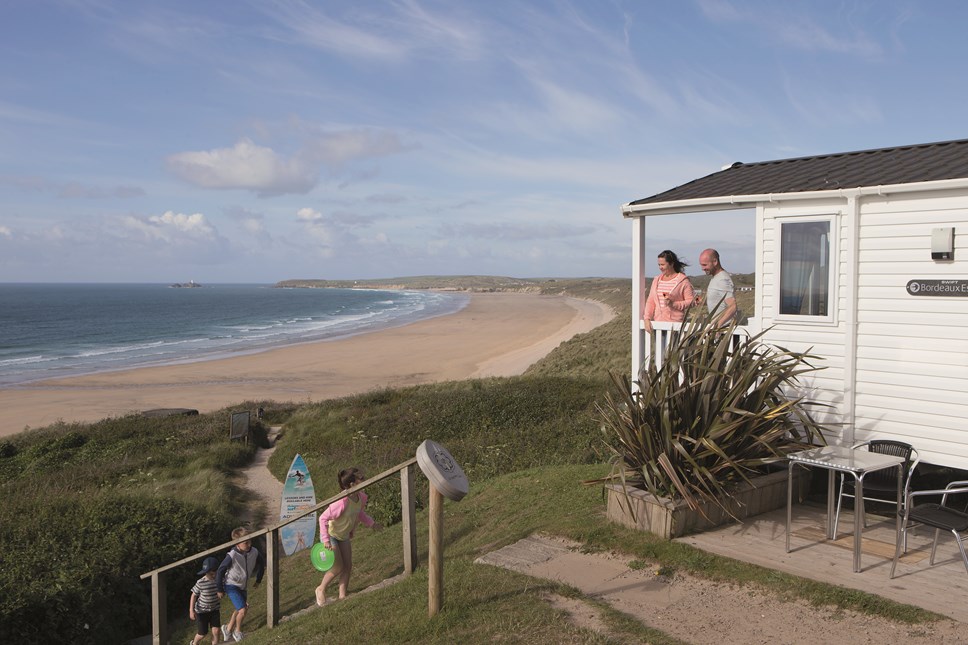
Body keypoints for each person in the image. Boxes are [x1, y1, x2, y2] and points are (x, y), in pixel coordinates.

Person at [314, 467, 383, 606]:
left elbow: (359, 513)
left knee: (348, 566)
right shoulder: (341, 501)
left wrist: (372, 524)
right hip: (331, 535)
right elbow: (322, 518)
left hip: (343, 536)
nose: (364, 480)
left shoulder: (361, 498)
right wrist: (326, 539)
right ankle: (320, 589)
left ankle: (342, 596)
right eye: (361, 479)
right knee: (337, 567)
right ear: (352, 484)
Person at [216, 527, 265, 642]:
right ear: (237, 543)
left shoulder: (254, 552)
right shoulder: (232, 555)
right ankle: (237, 632)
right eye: (245, 543)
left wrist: (258, 580)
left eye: (250, 541)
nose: (249, 544)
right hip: (231, 585)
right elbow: (220, 570)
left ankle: (227, 629)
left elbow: (262, 564)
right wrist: (219, 589)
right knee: (243, 609)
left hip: (243, 586)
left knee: (239, 609)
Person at [641, 250, 695, 333]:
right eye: (659, 265)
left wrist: (674, 304)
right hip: (658, 326)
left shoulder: (683, 281)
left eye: (662, 264)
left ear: (671, 264)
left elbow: (691, 302)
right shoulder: (656, 281)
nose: (660, 267)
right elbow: (651, 302)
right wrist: (647, 318)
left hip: (675, 327)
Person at [697, 248, 737, 326]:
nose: (702, 268)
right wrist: (703, 302)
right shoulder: (716, 278)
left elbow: (733, 307)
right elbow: (719, 301)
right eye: (701, 265)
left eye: (705, 265)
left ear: (715, 262)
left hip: (723, 331)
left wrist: (718, 325)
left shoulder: (722, 280)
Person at [189, 556, 221, 645]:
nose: (214, 575)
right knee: (203, 633)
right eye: (211, 574)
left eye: (215, 572)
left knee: (216, 630)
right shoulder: (201, 582)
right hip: (201, 611)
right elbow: (193, 595)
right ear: (206, 572)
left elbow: (225, 589)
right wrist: (191, 610)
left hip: (214, 609)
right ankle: (194, 643)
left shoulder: (219, 580)